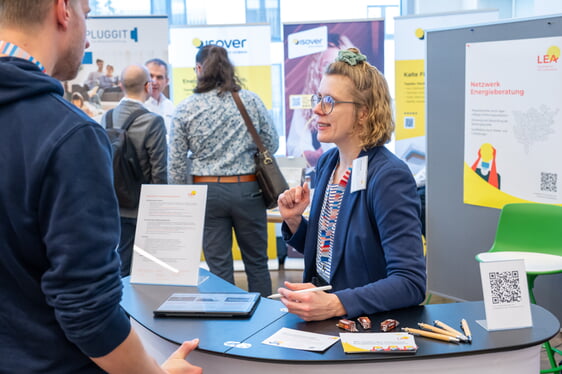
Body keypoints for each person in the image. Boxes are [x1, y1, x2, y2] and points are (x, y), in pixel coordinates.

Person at [0, 1, 201, 373]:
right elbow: (88, 313)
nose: (87, 33)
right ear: (63, 10)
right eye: (87, 13)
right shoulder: (67, 134)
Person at [276, 48, 426, 321]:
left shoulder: (388, 176)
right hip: (324, 318)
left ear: (363, 113)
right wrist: (296, 222)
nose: (317, 109)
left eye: (330, 101)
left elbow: (411, 282)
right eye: (318, 98)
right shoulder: (328, 163)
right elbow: (332, 246)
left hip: (363, 324)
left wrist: (335, 304)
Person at [169, 45, 279, 297]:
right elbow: (271, 144)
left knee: (218, 266)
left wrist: (180, 201)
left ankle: (225, 325)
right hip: (248, 189)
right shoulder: (250, 100)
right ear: (228, 69)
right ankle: (264, 323)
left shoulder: (185, 108)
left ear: (198, 69)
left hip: (207, 193)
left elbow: (175, 163)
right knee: (257, 263)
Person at [101, 64, 168, 277]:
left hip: (114, 204)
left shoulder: (107, 118)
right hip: (143, 207)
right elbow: (159, 171)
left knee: (120, 265)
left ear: (120, 86)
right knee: (147, 270)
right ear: (148, 86)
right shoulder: (153, 121)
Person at [145, 58, 175, 136]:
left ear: (166, 81)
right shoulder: (137, 105)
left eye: (159, 77)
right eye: (150, 76)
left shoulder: (170, 106)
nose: (154, 81)